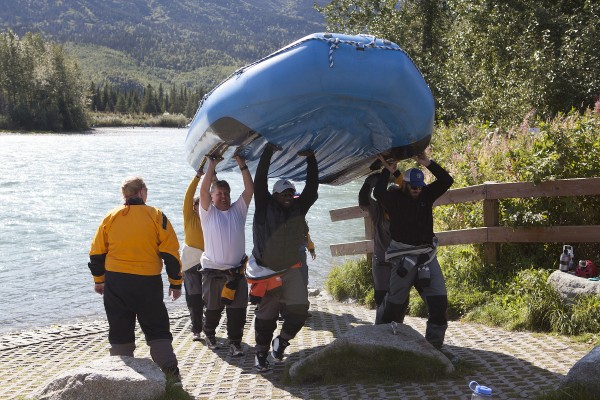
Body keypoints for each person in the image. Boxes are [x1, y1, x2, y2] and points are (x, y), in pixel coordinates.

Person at [88, 176, 183, 383]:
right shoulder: (156, 215)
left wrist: (99, 280)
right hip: (147, 283)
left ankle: (120, 380)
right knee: (157, 329)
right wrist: (175, 283)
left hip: (116, 282)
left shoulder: (110, 217)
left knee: (119, 331)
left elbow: (96, 252)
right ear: (141, 192)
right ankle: (172, 376)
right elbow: (171, 253)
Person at [246, 143, 319, 372]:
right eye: (283, 193)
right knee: (266, 318)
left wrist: (311, 159)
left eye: (291, 193)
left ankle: (282, 341)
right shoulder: (263, 206)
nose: (288, 196)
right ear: (275, 195)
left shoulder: (298, 209)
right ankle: (260, 353)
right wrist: (267, 151)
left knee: (300, 311)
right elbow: (260, 181)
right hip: (267, 271)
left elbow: (312, 189)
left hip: (290, 269)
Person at [373, 151, 453, 350]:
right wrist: (387, 171)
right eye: (413, 186)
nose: (417, 190)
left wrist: (428, 163)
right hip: (403, 257)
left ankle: (434, 348)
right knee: (394, 306)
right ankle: (379, 340)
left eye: (419, 186)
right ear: (404, 185)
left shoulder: (426, 195)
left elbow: (447, 180)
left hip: (426, 256)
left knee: (439, 304)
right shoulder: (394, 199)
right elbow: (378, 193)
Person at [198, 154, 253, 356]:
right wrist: (211, 165)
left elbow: (249, 190)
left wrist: (242, 164)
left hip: (236, 273)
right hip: (213, 273)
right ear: (212, 197)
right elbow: (203, 190)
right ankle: (209, 333)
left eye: (226, 193)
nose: (223, 197)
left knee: (237, 311)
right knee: (213, 310)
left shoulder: (238, 210)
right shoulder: (208, 213)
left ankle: (235, 343)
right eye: (219, 194)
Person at [358, 171, 409, 323]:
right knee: (381, 300)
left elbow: (409, 189)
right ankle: (381, 330)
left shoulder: (406, 211)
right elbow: (363, 199)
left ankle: (397, 328)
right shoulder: (378, 211)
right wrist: (372, 180)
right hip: (382, 264)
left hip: (401, 264)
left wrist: (395, 172)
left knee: (401, 302)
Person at [181, 168, 205, 341]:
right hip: (190, 263)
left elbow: (214, 193)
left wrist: (213, 177)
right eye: (197, 204)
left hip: (209, 263)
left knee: (211, 299)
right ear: (193, 207)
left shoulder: (212, 217)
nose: (199, 206)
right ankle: (196, 329)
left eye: (203, 203)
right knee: (194, 298)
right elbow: (188, 196)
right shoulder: (189, 217)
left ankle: (208, 327)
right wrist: (197, 177)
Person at [299, 219, 316, 286]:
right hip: (300, 253)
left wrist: (312, 250)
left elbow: (307, 236)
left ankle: (303, 286)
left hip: (298, 253)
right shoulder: (301, 221)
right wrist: (312, 250)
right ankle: (304, 286)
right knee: (303, 271)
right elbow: (307, 237)